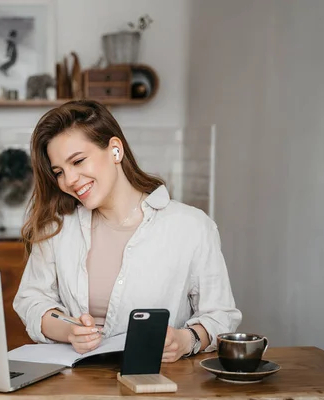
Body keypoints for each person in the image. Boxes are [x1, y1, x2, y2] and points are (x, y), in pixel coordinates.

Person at [13, 100, 242, 362]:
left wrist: (185, 340)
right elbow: (32, 300)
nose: (69, 180)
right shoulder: (57, 227)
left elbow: (221, 316)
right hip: (77, 383)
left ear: (115, 150)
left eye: (78, 161)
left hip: (157, 382)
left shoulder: (191, 227)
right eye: (59, 172)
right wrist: (69, 330)